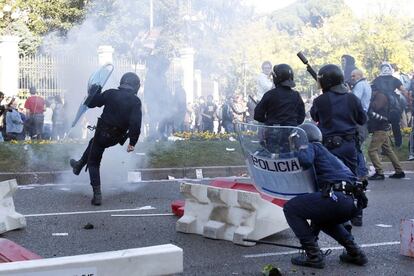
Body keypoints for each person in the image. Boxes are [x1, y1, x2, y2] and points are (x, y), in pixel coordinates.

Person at [284, 122, 368, 269]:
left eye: (295, 141)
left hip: (338, 198)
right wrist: (313, 236)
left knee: (290, 208)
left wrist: (302, 146)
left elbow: (305, 161)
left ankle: (314, 256)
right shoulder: (330, 155)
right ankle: (355, 252)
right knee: (322, 217)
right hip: (352, 203)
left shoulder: (312, 147)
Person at [70, 72, 142, 206]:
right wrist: (132, 142)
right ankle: (79, 164)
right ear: (135, 86)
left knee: (93, 163)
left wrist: (94, 91)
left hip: (101, 134)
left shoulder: (111, 93)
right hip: (116, 137)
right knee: (92, 144)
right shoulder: (135, 101)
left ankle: (97, 195)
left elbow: (91, 103)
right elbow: (135, 124)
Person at [310, 64, 367, 175]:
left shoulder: (320, 100)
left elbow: (314, 116)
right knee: (352, 178)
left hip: (328, 146)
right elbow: (362, 119)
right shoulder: (352, 98)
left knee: (327, 178)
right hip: (349, 145)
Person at [367, 85, 405, 180]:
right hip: (382, 127)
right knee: (388, 150)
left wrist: (368, 103)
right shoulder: (381, 95)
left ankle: (379, 172)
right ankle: (399, 171)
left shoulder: (380, 96)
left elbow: (375, 107)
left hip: (380, 128)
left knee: (372, 151)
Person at [349, 69, 372, 227]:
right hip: (362, 120)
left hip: (358, 120)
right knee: (358, 150)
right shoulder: (366, 85)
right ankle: (361, 174)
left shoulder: (359, 86)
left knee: (357, 150)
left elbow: (353, 101)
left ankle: (361, 173)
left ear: (360, 75)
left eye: (354, 76)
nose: (352, 78)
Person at [371, 62, 411, 148]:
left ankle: (383, 147)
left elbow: (372, 92)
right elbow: (403, 90)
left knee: (381, 127)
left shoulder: (377, 79)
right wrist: (408, 100)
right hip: (393, 105)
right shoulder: (394, 79)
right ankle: (398, 144)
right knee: (395, 125)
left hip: (381, 105)